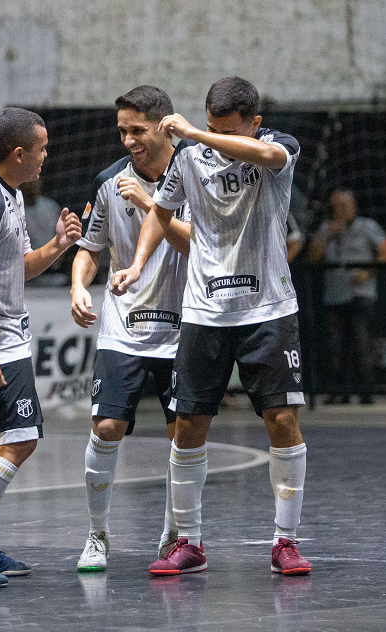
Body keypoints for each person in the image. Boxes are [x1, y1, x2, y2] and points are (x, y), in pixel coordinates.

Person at [113, 76, 312, 576]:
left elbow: (264, 159)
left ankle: (285, 541)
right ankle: (190, 542)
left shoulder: (275, 148)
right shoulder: (187, 160)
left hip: (268, 309)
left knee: (282, 422)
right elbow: (160, 212)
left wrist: (199, 137)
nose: (210, 136)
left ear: (254, 124)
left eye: (225, 130)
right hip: (204, 313)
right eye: (207, 127)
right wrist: (137, 265)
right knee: (187, 426)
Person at [0, 107, 82, 584]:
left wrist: (59, 245)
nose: (46, 157)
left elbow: (15, 269)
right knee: (19, 439)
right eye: (41, 149)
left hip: (9, 338)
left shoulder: (10, 195)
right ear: (19, 153)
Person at [70, 85, 192, 572]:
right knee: (107, 425)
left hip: (186, 327)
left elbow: (199, 246)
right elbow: (90, 248)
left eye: (137, 130)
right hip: (125, 325)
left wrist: (148, 203)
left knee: (183, 435)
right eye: (122, 130)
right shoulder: (107, 182)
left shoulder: (196, 173)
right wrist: (79, 286)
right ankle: (97, 535)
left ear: (164, 126)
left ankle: (173, 535)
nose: (127, 140)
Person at [307, 188, 386, 404]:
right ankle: (338, 391)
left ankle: (366, 391)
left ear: (353, 206)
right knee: (336, 345)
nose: (340, 211)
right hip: (334, 295)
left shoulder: (368, 226)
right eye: (335, 207)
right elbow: (313, 257)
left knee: (360, 342)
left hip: (360, 293)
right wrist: (327, 236)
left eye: (343, 206)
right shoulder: (326, 228)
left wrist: (368, 271)